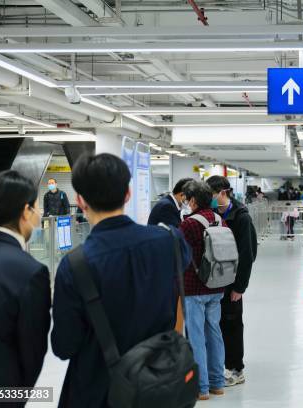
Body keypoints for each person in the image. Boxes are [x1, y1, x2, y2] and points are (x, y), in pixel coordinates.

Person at [51, 153, 192, 408]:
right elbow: (183, 263)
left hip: (99, 390)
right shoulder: (169, 241)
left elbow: (64, 345)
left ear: (80, 201)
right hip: (159, 385)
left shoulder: (75, 266)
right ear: (128, 193)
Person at [0, 171, 51, 399]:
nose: (39, 215)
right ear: (25, 211)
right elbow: (32, 352)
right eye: (36, 208)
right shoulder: (29, 272)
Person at [206, 175, 258, 387]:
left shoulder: (241, 217)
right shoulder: (209, 214)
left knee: (232, 323)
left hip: (232, 280)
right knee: (216, 323)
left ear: (223, 193)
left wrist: (240, 286)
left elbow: (248, 254)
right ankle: (220, 365)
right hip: (213, 279)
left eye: (211, 195)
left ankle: (237, 368)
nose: (209, 199)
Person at [180, 181, 228, 400]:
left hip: (194, 287)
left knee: (196, 337)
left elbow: (181, 255)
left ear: (192, 200)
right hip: (217, 284)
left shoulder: (189, 224)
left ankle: (202, 387)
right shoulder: (220, 219)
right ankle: (218, 383)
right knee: (215, 332)